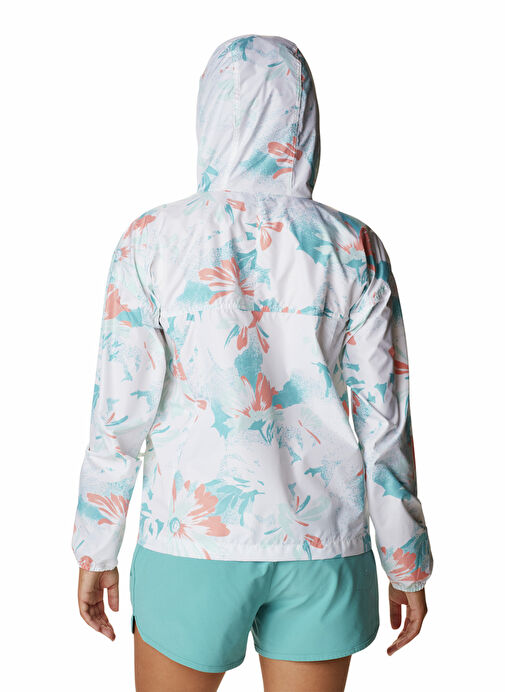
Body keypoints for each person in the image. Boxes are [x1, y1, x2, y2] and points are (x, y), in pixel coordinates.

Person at [72, 34, 434, 692]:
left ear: (208, 115)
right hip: (322, 546)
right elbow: (385, 421)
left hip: (192, 544)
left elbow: (119, 411)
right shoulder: (353, 246)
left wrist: (97, 543)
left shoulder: (151, 241)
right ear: (305, 120)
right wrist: (405, 559)